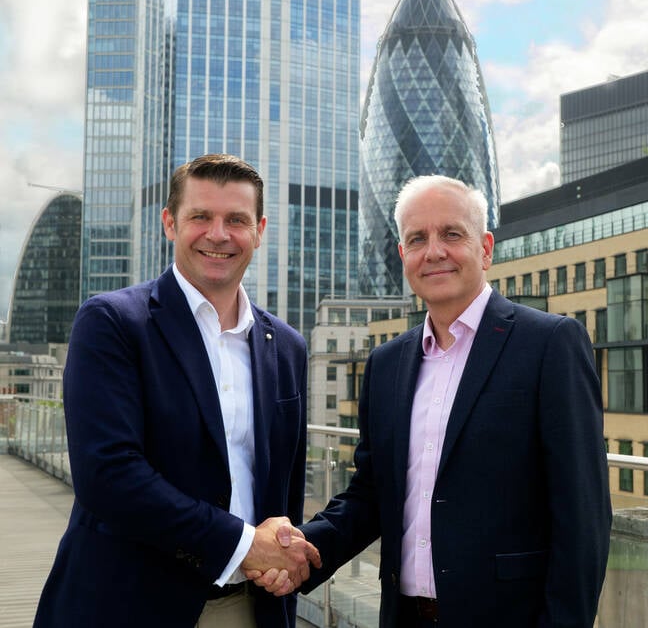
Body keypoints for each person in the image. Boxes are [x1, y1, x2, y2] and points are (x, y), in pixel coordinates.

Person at [253, 175, 612, 627]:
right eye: (417, 239)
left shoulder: (550, 344)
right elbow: (371, 495)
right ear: (403, 255)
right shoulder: (386, 364)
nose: (434, 251)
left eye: (452, 234)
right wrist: (300, 549)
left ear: (485, 248)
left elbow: (583, 519)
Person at [34, 154, 320, 628]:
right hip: (127, 603)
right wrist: (245, 545)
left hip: (250, 607)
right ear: (170, 223)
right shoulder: (113, 323)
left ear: (260, 229)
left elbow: (284, 487)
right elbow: (108, 475)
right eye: (200, 217)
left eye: (236, 220)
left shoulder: (286, 346)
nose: (218, 234)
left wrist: (279, 554)